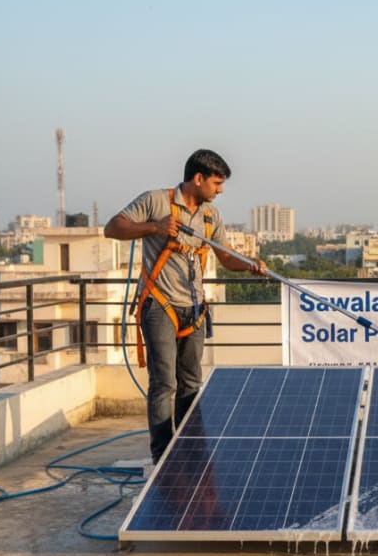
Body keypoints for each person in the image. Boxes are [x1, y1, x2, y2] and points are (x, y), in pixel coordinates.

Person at [105, 148, 266, 463]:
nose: (219, 191)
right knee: (164, 382)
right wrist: (155, 227)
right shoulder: (156, 202)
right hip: (159, 304)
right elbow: (113, 228)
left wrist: (250, 265)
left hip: (193, 307)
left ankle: (189, 448)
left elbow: (225, 257)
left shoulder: (210, 216)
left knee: (191, 382)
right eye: (216, 183)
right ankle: (163, 456)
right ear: (198, 178)